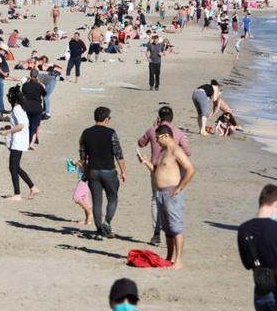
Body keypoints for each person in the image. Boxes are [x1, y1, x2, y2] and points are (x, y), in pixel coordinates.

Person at [137, 125, 196, 269]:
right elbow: (157, 170)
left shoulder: (176, 150)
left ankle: (179, 260)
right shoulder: (163, 151)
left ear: (165, 136)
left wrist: (179, 187)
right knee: (167, 229)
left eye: (157, 137)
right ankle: (169, 257)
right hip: (160, 192)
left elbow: (190, 169)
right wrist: (146, 163)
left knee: (176, 227)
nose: (156, 141)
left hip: (172, 192)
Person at [137, 106, 191, 246]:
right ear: (172, 117)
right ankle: (168, 243)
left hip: (156, 170)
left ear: (159, 117)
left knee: (156, 201)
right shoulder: (178, 132)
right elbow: (188, 151)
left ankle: (156, 234)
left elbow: (140, 143)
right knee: (169, 211)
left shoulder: (152, 130)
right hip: (171, 173)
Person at [79, 106, 127, 240]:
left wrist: (85, 171)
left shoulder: (86, 133)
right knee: (112, 197)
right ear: (106, 119)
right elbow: (118, 154)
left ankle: (99, 231)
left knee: (97, 202)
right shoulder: (111, 133)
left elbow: (83, 156)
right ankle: (107, 223)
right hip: (108, 170)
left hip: (93, 171)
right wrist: (123, 171)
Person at [0, 86, 38, 201]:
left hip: (19, 141)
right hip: (21, 140)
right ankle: (33, 187)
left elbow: (20, 126)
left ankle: (17, 194)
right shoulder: (20, 108)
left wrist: (7, 131)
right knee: (16, 167)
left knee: (13, 167)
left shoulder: (17, 109)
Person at [21, 70, 46, 148]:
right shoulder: (39, 85)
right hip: (37, 107)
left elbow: (23, 93)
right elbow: (45, 94)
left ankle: (28, 140)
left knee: (28, 125)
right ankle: (31, 142)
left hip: (27, 106)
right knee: (34, 126)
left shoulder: (25, 85)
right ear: (37, 76)